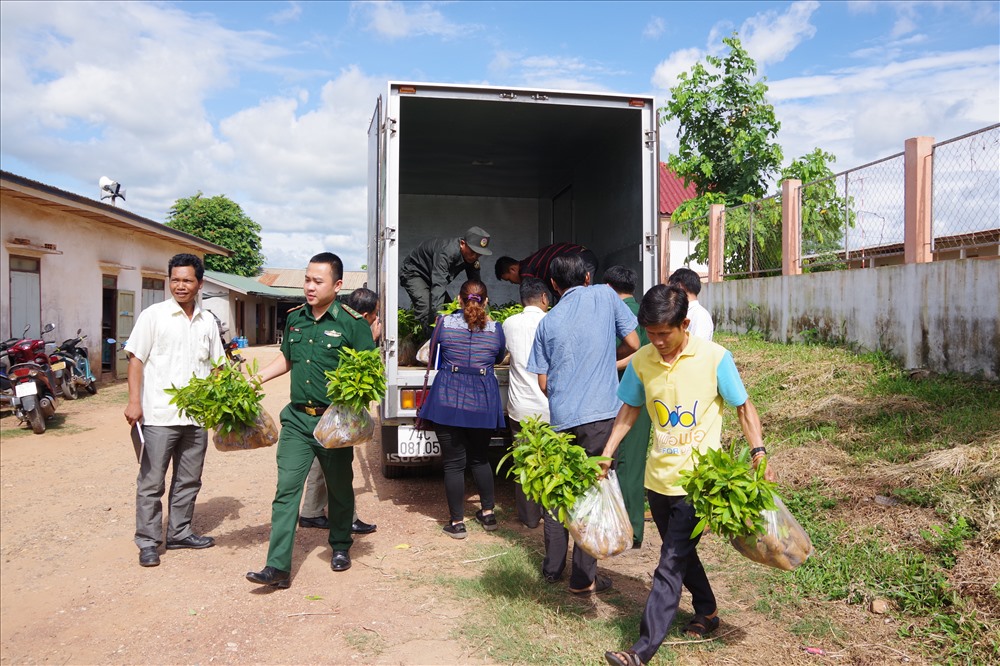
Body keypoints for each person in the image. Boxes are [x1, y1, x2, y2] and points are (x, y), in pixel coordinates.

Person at [600, 284, 777, 666]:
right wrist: (608, 452)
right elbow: (629, 409)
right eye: (651, 333)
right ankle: (708, 611)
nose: (658, 341)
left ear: (685, 324)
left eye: (665, 333)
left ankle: (640, 651)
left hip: (698, 482)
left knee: (669, 562)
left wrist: (758, 451)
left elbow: (744, 407)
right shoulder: (642, 361)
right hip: (657, 480)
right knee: (680, 552)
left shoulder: (715, 358)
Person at [246, 252, 376, 589]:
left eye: (317, 281)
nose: (309, 286)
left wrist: (353, 405)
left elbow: (369, 373)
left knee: (338, 487)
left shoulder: (353, 323)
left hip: (332, 424)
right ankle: (277, 567)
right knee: (286, 490)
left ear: (337, 285)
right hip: (297, 422)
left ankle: (341, 545)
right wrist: (255, 379)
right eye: (307, 279)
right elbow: (286, 359)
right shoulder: (295, 319)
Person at [526, 254, 639, 594]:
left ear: (555, 287)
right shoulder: (606, 295)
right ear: (587, 279)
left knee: (559, 492)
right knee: (591, 492)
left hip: (561, 419)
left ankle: (552, 568)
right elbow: (635, 343)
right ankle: (582, 578)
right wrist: (609, 363)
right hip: (600, 416)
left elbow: (543, 383)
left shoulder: (547, 321)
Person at [124, 253, 226, 568]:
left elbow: (218, 367)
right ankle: (149, 542)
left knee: (189, 479)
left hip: (196, 419)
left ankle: (180, 532)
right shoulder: (153, 316)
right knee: (152, 481)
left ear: (200, 283)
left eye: (187, 280)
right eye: (175, 279)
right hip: (158, 415)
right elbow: (136, 359)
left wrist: (219, 401)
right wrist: (134, 401)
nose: (180, 286)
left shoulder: (208, 321)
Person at [418, 279, 506, 539]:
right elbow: (498, 358)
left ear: (459, 299)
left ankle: (457, 522)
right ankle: (488, 514)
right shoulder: (496, 328)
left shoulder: (443, 323)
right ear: (486, 301)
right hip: (483, 400)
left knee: (454, 465)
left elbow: (432, 356)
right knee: (480, 458)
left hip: (447, 399)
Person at [298, 287, 381, 535]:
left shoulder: (336, 319)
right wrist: (371, 340)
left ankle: (311, 512)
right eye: (375, 315)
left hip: (318, 404)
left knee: (321, 458)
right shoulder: (353, 326)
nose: (376, 319)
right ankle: (347, 519)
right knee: (338, 464)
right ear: (365, 314)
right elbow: (359, 367)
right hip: (334, 406)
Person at [603, 266, 651, 549]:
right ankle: (627, 526)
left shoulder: (616, 315)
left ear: (609, 288)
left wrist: (606, 366)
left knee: (622, 464)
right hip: (642, 397)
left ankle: (631, 530)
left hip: (623, 395)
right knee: (631, 463)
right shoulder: (644, 313)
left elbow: (636, 354)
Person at [500, 277, 550, 528]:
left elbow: (504, 353)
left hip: (520, 408)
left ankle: (530, 518)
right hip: (550, 406)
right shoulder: (552, 321)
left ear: (521, 300)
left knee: (524, 462)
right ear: (544, 298)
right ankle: (551, 514)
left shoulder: (509, 323)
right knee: (550, 461)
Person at [401, 227, 492, 326]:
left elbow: (476, 286)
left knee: (450, 310)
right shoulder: (446, 253)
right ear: (462, 244)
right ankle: (433, 339)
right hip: (415, 273)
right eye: (472, 252)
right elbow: (439, 284)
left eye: (479, 254)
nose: (474, 256)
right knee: (429, 311)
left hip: (433, 275)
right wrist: (437, 315)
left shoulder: (472, 257)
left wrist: (486, 313)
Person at [494, 242, 598, 287]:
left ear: (513, 269)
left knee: (585, 298)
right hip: (580, 260)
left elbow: (528, 291)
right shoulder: (538, 270)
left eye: (509, 279)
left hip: (582, 258)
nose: (512, 283)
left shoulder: (526, 270)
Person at [667, 267, 714, 341]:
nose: (670, 293)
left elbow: (698, 346)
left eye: (671, 288)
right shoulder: (682, 312)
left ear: (680, 286)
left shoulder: (700, 315)